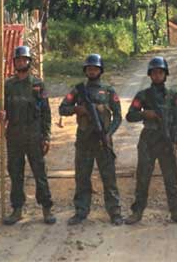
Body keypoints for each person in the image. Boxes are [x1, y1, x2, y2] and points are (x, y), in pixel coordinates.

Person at [58, 54, 125, 225]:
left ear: (100, 70)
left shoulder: (109, 91)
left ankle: (115, 212)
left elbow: (118, 116)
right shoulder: (78, 90)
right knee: (82, 177)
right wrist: (77, 109)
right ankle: (81, 211)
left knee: (109, 178)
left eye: (95, 68)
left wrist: (109, 134)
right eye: (89, 69)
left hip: (103, 140)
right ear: (85, 71)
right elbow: (63, 108)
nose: (92, 71)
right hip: (84, 140)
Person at [125, 56, 177, 225]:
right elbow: (129, 116)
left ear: (165, 74)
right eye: (154, 73)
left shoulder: (172, 95)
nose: (157, 75)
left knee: (171, 177)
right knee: (143, 177)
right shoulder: (143, 95)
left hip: (166, 140)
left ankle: (176, 211)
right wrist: (144, 114)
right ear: (149, 75)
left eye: (160, 72)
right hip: (148, 139)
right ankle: (137, 211)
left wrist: (175, 142)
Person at [0, 45, 55, 225]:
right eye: (18, 60)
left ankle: (46, 208)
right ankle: (17, 209)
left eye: (24, 59)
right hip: (14, 135)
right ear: (14, 63)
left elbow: (46, 113)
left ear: (29, 62)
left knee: (39, 173)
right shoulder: (8, 85)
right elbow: (0, 107)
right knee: (15, 173)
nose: (21, 62)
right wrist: (1, 114)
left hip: (34, 135)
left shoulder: (38, 85)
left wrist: (46, 136)